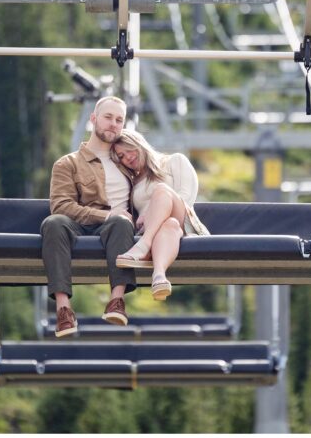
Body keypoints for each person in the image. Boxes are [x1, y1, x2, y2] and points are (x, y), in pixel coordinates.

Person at [43, 96, 137, 337]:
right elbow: (62, 206)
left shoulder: (128, 163)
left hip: (117, 229)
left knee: (121, 221)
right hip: (77, 225)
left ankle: (116, 302)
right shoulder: (68, 164)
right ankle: (63, 310)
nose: (113, 124)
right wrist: (103, 215)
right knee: (53, 223)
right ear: (93, 119)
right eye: (108, 117)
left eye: (119, 120)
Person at [110, 130, 209, 300]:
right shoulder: (132, 182)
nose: (127, 157)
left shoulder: (174, 161)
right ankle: (159, 277)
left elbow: (187, 197)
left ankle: (144, 245)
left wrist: (149, 213)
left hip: (183, 221)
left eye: (129, 149)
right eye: (121, 156)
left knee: (162, 190)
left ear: (139, 144)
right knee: (169, 224)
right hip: (167, 228)